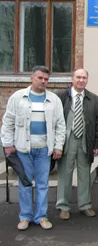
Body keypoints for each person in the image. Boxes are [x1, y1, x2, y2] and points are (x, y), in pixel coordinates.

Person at [1, 66, 66, 231]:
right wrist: (7, 144)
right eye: (40, 78)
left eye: (46, 79)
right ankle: (25, 216)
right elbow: (8, 122)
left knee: (43, 184)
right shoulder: (18, 97)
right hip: (23, 149)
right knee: (25, 183)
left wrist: (58, 146)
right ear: (32, 78)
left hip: (44, 149)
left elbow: (60, 125)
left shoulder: (54, 100)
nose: (43, 81)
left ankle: (41, 216)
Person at [56, 69, 98, 220]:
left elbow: (97, 123)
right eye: (78, 77)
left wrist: (97, 143)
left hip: (85, 141)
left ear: (87, 80)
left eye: (84, 78)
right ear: (72, 79)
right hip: (67, 140)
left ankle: (85, 205)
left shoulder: (93, 99)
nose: (81, 80)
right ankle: (63, 206)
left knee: (85, 174)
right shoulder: (61, 96)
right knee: (65, 173)